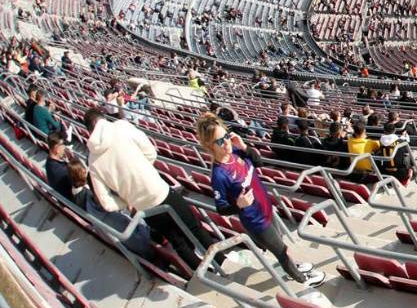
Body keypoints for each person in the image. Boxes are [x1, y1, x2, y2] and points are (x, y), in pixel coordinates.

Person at [84, 108, 221, 272]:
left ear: (89, 130)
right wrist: (145, 173)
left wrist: (128, 199)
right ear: (103, 118)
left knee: (177, 241)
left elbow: (106, 203)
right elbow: (150, 152)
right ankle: (222, 262)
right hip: (160, 191)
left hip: (143, 208)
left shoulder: (92, 161)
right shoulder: (122, 127)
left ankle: (205, 275)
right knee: (194, 228)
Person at [196, 113, 324, 288]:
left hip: (266, 208)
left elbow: (259, 162)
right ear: (210, 145)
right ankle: (301, 279)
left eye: (226, 136)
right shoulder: (219, 174)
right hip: (255, 221)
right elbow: (221, 208)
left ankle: (293, 266)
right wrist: (238, 205)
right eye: (219, 141)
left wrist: (244, 146)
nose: (225, 142)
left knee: (280, 243)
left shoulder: (235, 151)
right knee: (281, 252)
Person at [67, 160, 155, 259]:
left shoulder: (89, 204)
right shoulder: (109, 215)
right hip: (145, 250)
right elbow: (141, 245)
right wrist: (139, 217)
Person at [43, 131, 73, 201]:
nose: (65, 147)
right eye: (63, 144)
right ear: (56, 149)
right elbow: (79, 180)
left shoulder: (48, 162)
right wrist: (73, 160)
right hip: (72, 200)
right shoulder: (62, 171)